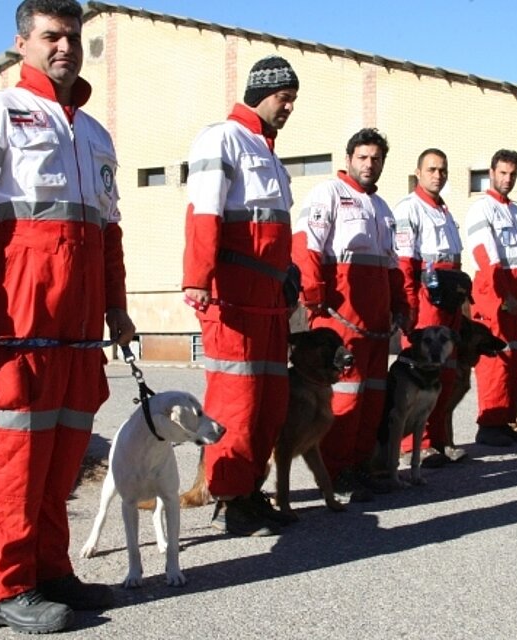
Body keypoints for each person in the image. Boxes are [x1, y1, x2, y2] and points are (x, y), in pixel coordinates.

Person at [0, 0, 135, 633]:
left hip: (77, 329)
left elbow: (109, 231)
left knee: (62, 453)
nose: (64, 46)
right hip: (15, 317)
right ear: (23, 43)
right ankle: (3, 588)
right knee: (14, 457)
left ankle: (49, 571)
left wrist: (117, 308)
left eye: (72, 35)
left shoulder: (95, 133)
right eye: (51, 36)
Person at [182, 56, 300, 538]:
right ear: (259, 91)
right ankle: (230, 500)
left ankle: (250, 491)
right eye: (283, 95)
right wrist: (198, 278)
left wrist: (290, 279)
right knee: (238, 400)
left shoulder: (268, 152)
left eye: (293, 97)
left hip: (270, 299)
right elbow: (203, 211)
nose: (289, 105)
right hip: (233, 295)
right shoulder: (223, 138)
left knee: (270, 401)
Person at [292, 128, 411, 500]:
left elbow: (393, 265)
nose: (369, 164)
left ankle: (360, 466)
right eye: (362, 157)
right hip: (339, 318)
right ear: (348, 160)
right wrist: (312, 297)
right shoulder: (328, 194)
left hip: (376, 323)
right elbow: (305, 246)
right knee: (344, 395)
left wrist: (401, 305)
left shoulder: (383, 209)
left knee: (371, 397)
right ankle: (335, 470)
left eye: (376, 159)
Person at [393, 148, 465, 465]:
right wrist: (409, 304)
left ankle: (438, 440)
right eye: (432, 169)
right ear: (418, 173)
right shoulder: (410, 209)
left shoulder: (445, 211)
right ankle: (414, 445)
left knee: (445, 373)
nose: (438, 175)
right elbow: (406, 262)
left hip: (450, 296)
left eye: (443, 170)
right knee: (421, 373)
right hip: (428, 296)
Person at [466, 149, 517, 447]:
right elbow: (486, 256)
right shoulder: (482, 209)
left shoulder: (516, 211)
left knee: (515, 359)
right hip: (494, 297)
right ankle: (489, 423)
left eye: (512, 174)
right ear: (491, 173)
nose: (507, 179)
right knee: (496, 360)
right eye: (502, 173)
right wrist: (504, 294)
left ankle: (505, 419)